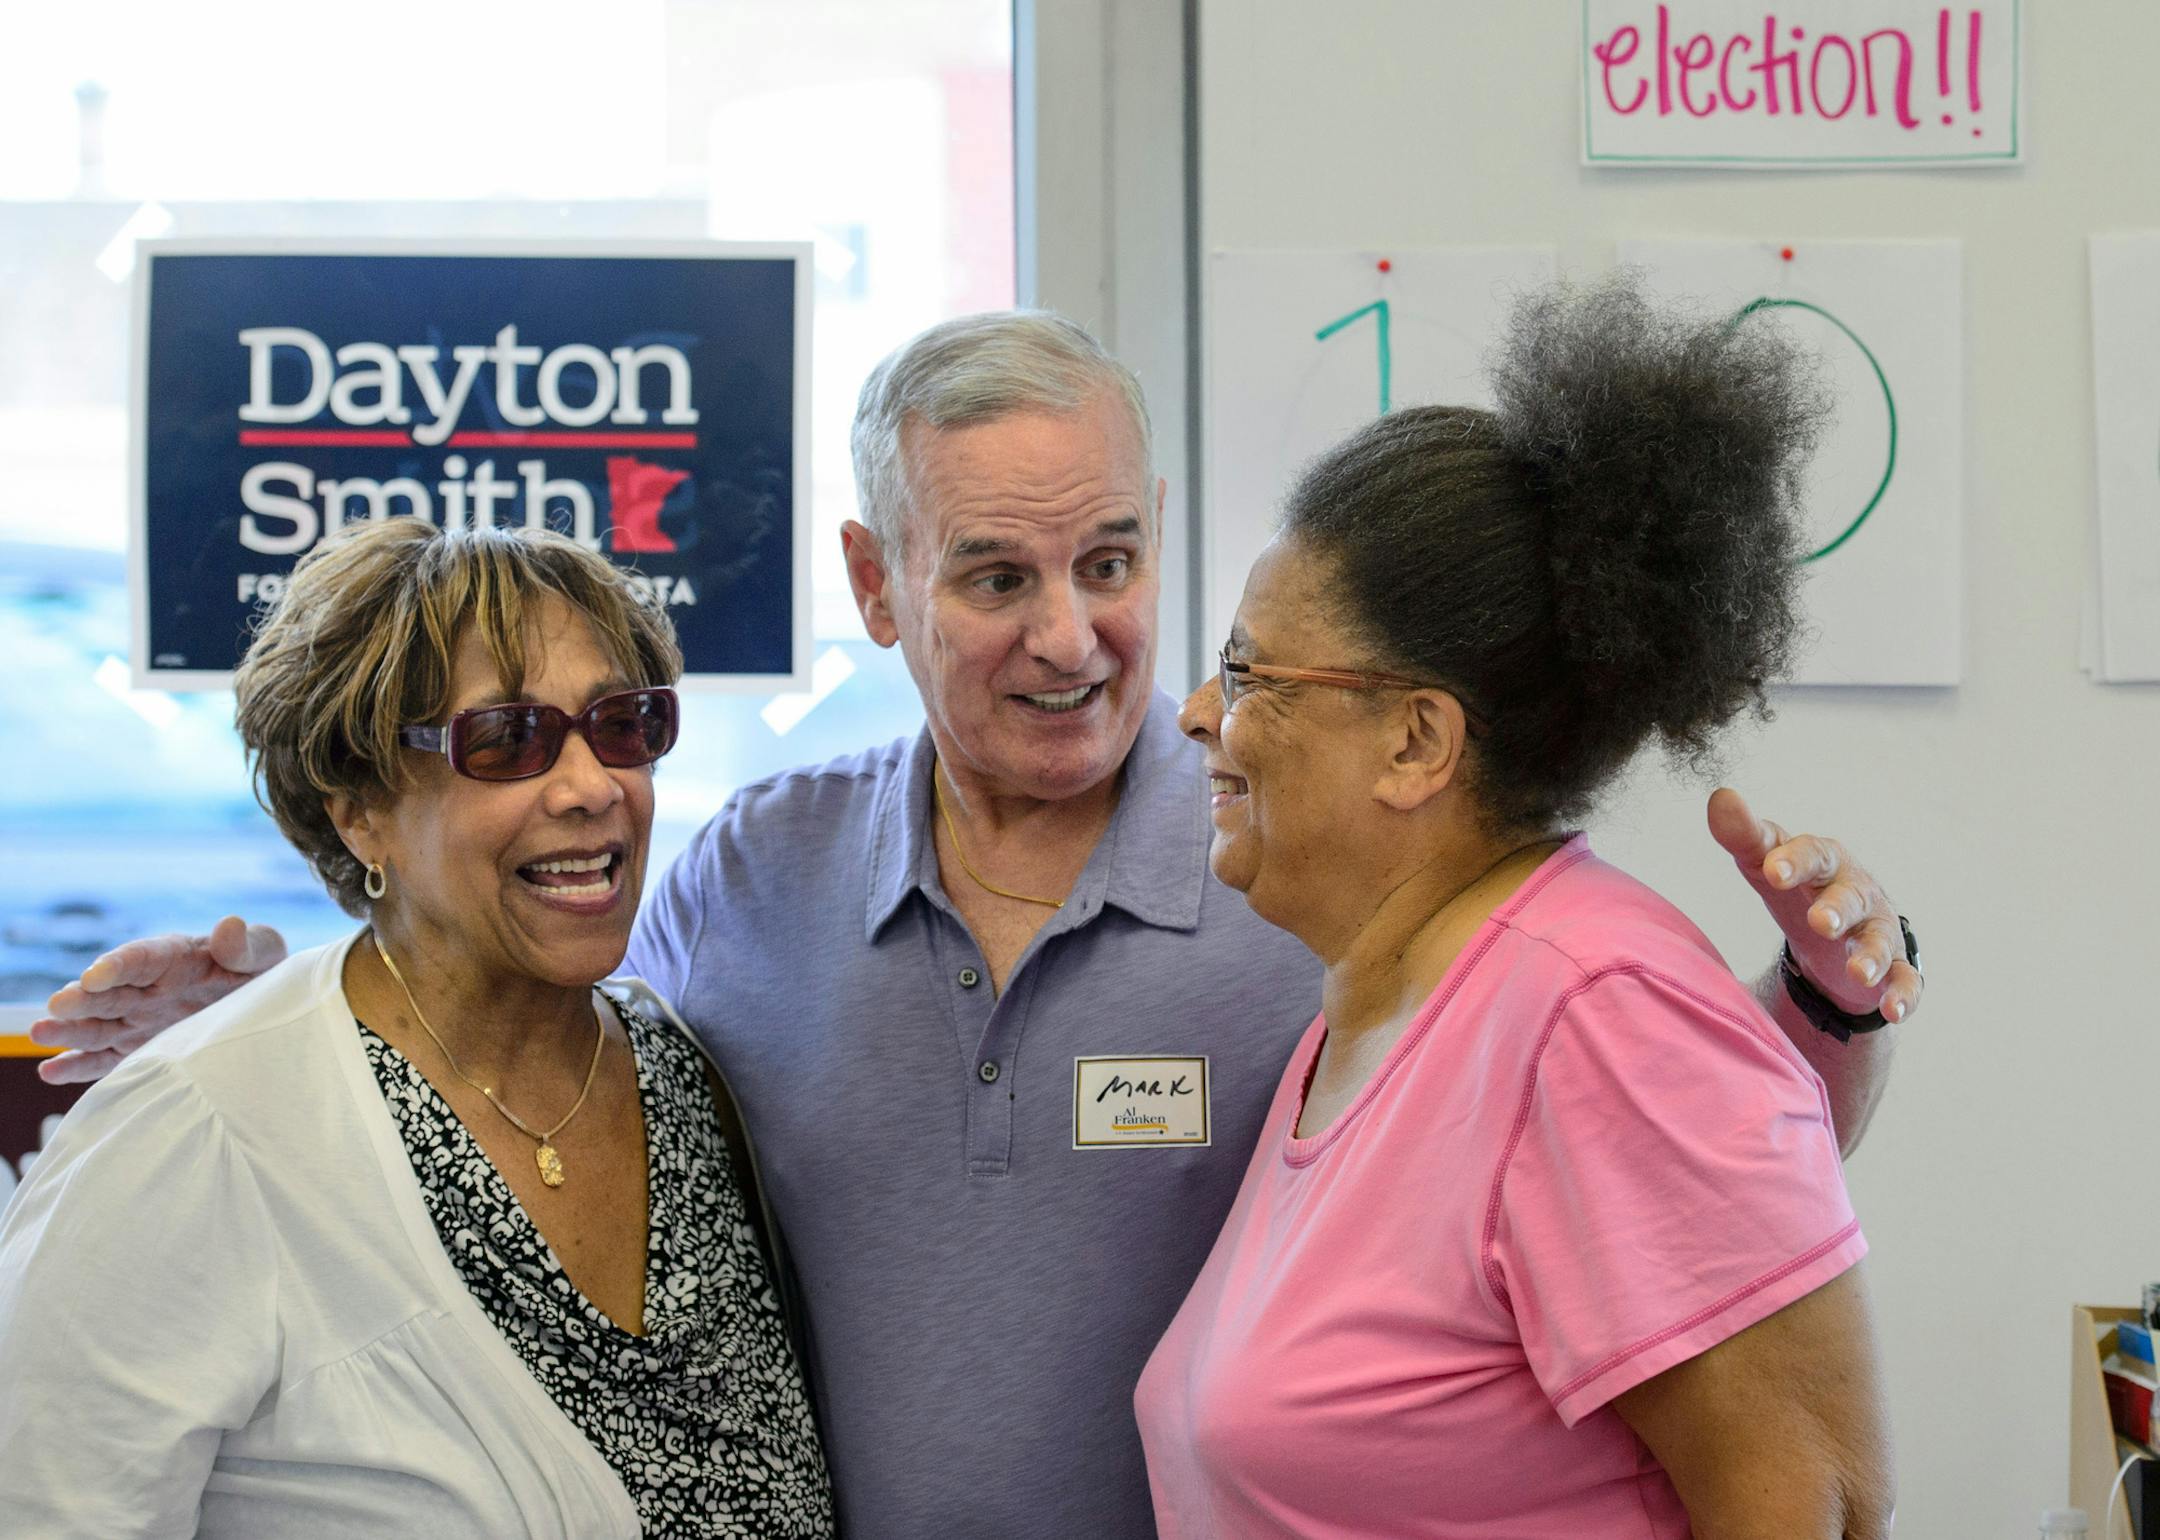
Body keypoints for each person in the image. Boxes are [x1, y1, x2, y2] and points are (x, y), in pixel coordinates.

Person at [32, 312, 1921, 1538]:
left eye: (1114, 567)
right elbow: (517, 1052)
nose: (1082, 641)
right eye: (997, 575)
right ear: (878, 580)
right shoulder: (751, 879)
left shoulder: (1324, 892)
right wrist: (311, 1018)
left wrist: (1816, 1028)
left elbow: (1657, 1189)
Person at [1136, 277, 1894, 1536]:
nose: (1200, 715)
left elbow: (1820, 1508)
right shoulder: (1379, 1015)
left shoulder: (1595, 1014)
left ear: (1416, 742)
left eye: (1247, 671)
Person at [0, 519, 833, 1537]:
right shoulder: (196, 1131)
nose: (590, 787)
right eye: (509, 740)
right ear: (360, 809)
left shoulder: (689, 1077)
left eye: (623, 724)